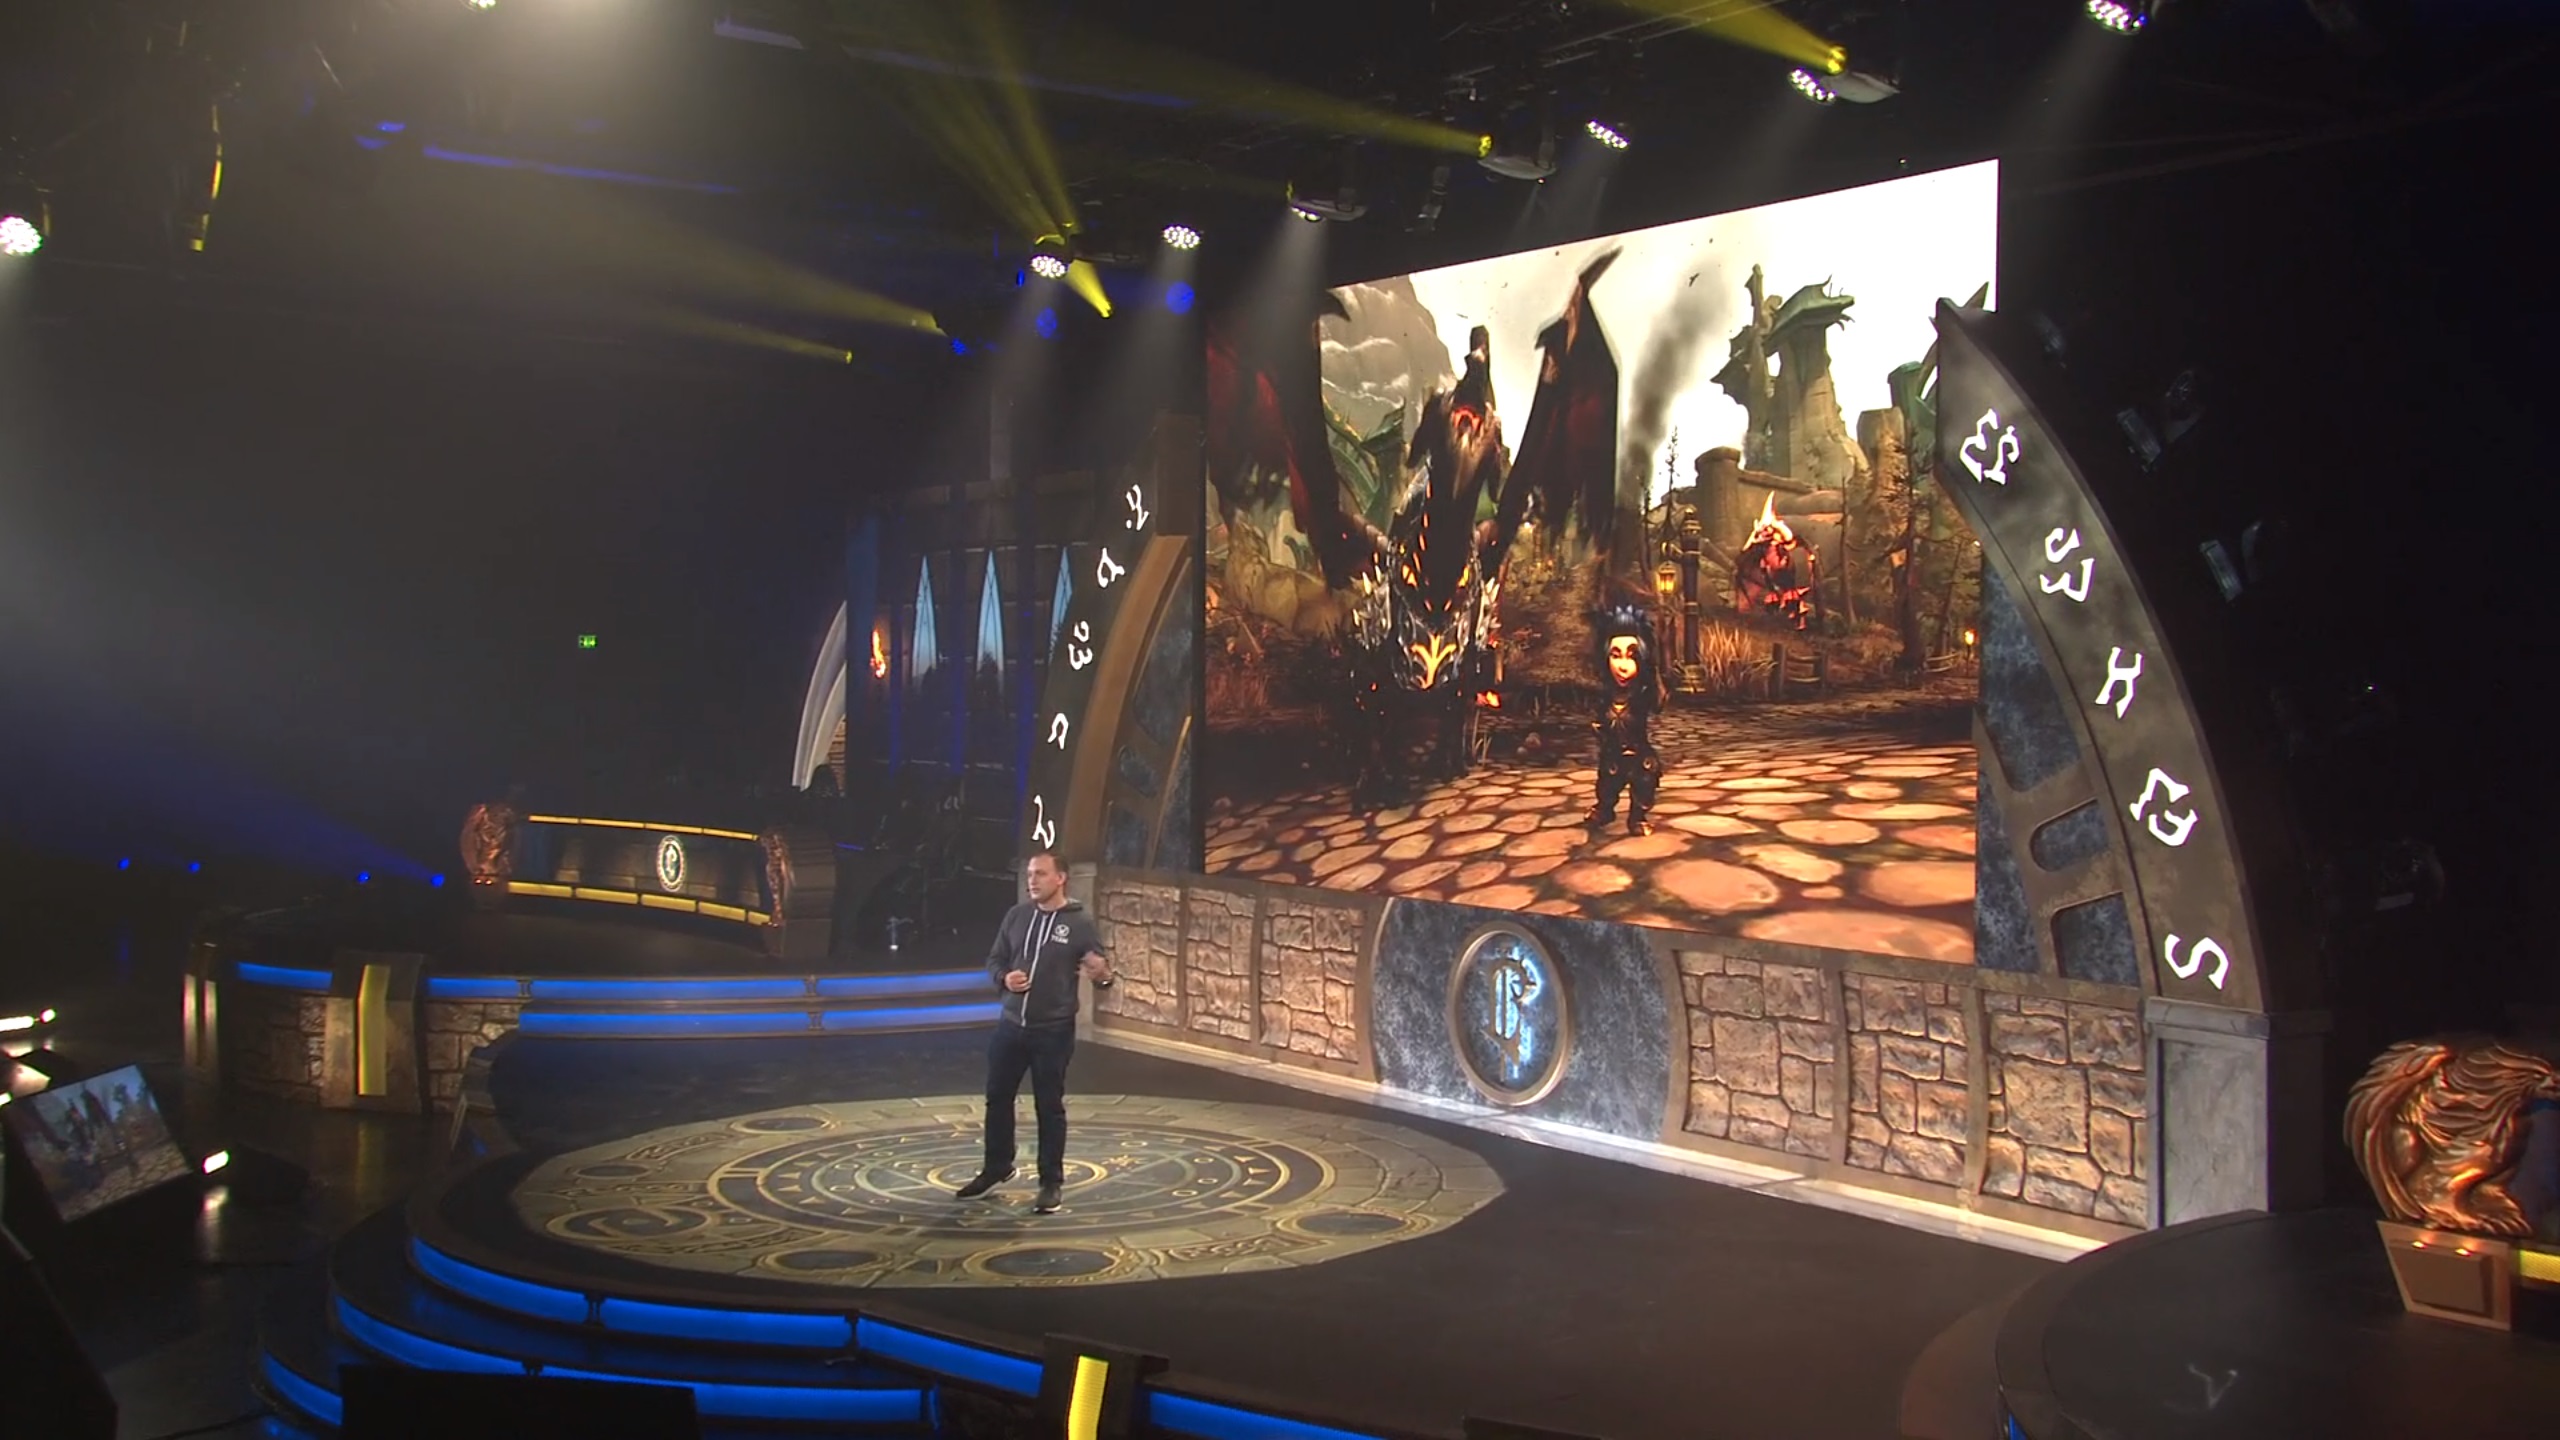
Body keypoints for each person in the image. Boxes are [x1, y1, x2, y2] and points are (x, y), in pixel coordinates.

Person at [954, 850, 1113, 1214]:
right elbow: (995, 960)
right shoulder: (1017, 916)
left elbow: (1103, 976)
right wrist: (1004, 978)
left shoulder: (1079, 923)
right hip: (1011, 1025)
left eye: (1040, 874)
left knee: (1049, 1105)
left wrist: (1102, 975)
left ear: (1060, 878)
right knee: (997, 1097)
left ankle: (1050, 1181)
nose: (1032, 881)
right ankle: (997, 1167)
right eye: (1029, 874)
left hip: (1052, 1031)